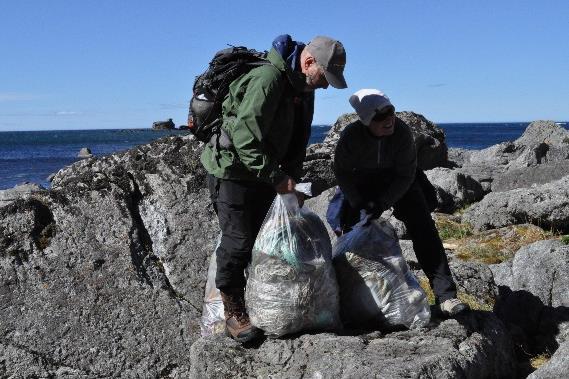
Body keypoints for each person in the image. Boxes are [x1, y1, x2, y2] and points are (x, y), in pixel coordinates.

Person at [201, 34, 347, 343]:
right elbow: (243, 137)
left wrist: (291, 182)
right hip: (232, 170)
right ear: (308, 62)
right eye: (324, 77)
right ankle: (232, 310)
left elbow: (298, 140)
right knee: (239, 241)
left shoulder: (304, 89)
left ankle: (262, 302)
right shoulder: (268, 79)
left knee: (265, 242)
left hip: (264, 173)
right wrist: (277, 177)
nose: (324, 86)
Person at [333, 89, 468, 317]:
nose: (388, 120)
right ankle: (350, 297)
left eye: (391, 112)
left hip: (398, 180)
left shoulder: (402, 132)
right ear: (366, 121)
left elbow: (405, 175)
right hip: (361, 182)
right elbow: (342, 172)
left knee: (423, 227)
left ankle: (446, 296)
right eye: (379, 117)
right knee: (349, 232)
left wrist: (384, 202)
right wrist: (358, 202)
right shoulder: (351, 136)